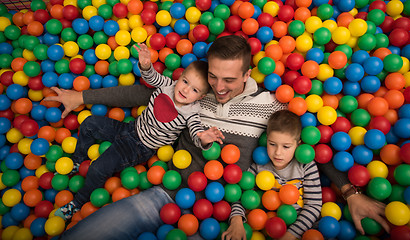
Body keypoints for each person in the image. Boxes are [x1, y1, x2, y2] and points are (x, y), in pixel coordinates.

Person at [46, 35, 388, 239]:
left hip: (230, 209)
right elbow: (141, 93)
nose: (219, 88)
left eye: (229, 80)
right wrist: (82, 98)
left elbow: (306, 147)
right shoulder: (197, 93)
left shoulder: (271, 106)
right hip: (167, 190)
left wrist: (349, 190)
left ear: (248, 74)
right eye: (213, 77)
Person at [51, 43, 225, 221]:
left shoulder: (192, 113)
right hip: (129, 128)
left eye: (194, 90)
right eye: (185, 81)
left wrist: (204, 138)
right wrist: (146, 64)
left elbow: (197, 132)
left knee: (98, 167)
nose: (185, 89)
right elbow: (152, 79)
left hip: (139, 148)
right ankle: (77, 161)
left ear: (201, 97)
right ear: (180, 77)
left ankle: (77, 203)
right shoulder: (169, 86)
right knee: (89, 123)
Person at [222, 110, 322, 240]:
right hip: (264, 230)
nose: (278, 153)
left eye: (286, 147)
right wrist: (236, 221)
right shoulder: (259, 166)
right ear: (266, 139)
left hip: (301, 231)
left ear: (298, 145)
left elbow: (313, 206)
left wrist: (290, 235)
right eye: (272, 144)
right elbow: (239, 195)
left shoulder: (306, 166)